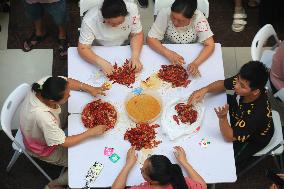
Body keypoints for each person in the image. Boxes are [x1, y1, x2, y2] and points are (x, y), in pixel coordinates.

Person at [20, 76, 108, 189]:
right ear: (52, 101)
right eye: (67, 96)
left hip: (43, 130)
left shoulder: (44, 84)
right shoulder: (43, 117)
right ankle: (54, 184)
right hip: (42, 148)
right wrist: (90, 132)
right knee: (85, 162)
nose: (70, 95)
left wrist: (90, 88)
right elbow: (64, 142)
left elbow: (67, 82)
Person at [188, 61, 274, 170]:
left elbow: (228, 137)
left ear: (256, 91)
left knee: (223, 158)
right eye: (238, 80)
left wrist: (223, 118)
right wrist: (204, 90)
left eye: (242, 86)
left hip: (253, 138)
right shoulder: (243, 80)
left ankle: (236, 167)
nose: (236, 86)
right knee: (212, 102)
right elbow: (223, 84)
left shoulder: (256, 115)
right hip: (238, 112)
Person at [147, 0, 215, 77]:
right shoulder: (165, 13)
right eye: (173, 17)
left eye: (180, 21)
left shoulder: (198, 18)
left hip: (192, 50)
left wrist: (195, 63)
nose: (175, 23)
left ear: (192, 17)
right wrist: (167, 53)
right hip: (167, 48)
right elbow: (151, 39)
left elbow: (210, 45)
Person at [78, 0, 144, 76]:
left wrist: (135, 57)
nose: (115, 26)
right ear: (102, 16)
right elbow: (83, 48)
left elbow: (136, 34)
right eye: (110, 23)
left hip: (124, 46)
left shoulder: (132, 9)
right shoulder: (90, 20)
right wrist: (100, 62)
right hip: (99, 48)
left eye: (120, 22)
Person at [112, 146, 207, 189]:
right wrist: (184, 162)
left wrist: (128, 165)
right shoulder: (182, 181)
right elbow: (203, 185)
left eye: (143, 171)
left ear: (153, 182)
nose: (140, 169)